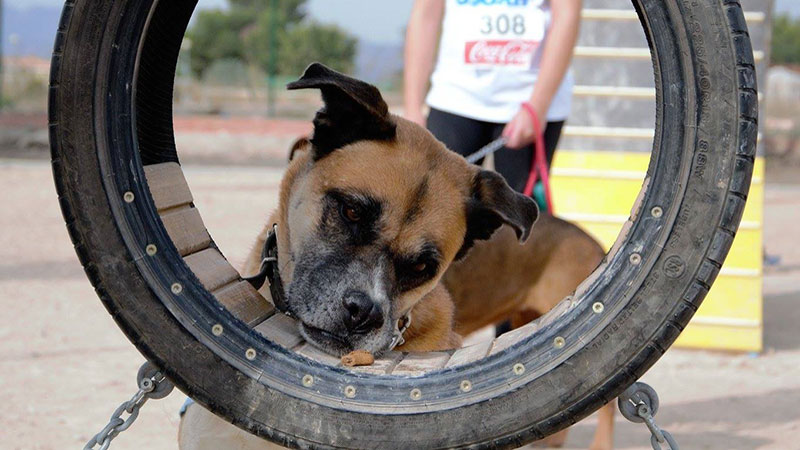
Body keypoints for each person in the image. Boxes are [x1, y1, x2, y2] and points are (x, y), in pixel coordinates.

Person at [404, 0, 581, 197]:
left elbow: (566, 14)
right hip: (454, 97)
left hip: (530, 99)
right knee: (436, 206)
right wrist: (412, 108)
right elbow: (424, 14)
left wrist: (537, 106)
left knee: (520, 216)